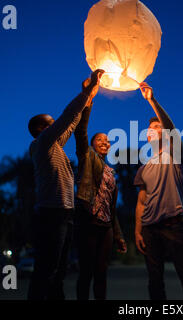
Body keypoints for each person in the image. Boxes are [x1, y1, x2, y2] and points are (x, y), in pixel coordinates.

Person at [26, 69, 103, 300]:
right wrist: (87, 90)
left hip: (65, 214)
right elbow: (68, 116)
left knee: (59, 270)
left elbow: (72, 122)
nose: (55, 127)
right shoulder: (42, 144)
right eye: (51, 125)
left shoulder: (54, 146)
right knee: (47, 269)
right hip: (52, 214)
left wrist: (88, 98)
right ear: (42, 130)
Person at [133, 82, 183, 300]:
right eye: (150, 128)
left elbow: (171, 129)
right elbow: (141, 201)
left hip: (173, 224)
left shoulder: (176, 156)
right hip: (149, 229)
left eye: (157, 127)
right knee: (154, 279)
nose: (153, 130)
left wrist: (152, 100)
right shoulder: (143, 169)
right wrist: (137, 230)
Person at [74, 78, 127, 300]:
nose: (104, 142)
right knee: (86, 272)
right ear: (92, 144)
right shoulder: (88, 157)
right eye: (99, 139)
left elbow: (110, 206)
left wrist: (119, 235)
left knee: (102, 272)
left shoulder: (110, 172)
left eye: (107, 140)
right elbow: (81, 131)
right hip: (88, 220)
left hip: (105, 226)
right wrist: (89, 98)